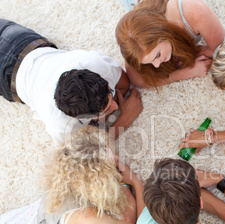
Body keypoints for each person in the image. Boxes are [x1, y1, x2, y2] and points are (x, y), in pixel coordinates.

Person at [0, 126, 143, 224]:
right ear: (99, 179)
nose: (117, 158)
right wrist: (135, 182)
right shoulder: (87, 215)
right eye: (112, 162)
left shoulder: (63, 174)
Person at [0, 19, 143, 145]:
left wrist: (103, 115)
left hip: (21, 41)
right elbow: (82, 154)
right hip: (7, 79)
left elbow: (124, 83)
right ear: (77, 118)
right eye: (106, 109)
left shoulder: (94, 64)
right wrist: (125, 119)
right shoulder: (60, 126)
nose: (116, 105)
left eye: (110, 93)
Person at [116, 0, 225, 87]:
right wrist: (180, 75)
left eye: (157, 55)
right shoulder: (133, 35)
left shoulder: (192, 10)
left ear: (163, 33)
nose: (157, 65)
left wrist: (192, 54)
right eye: (149, 62)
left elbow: (222, 49)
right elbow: (136, 79)